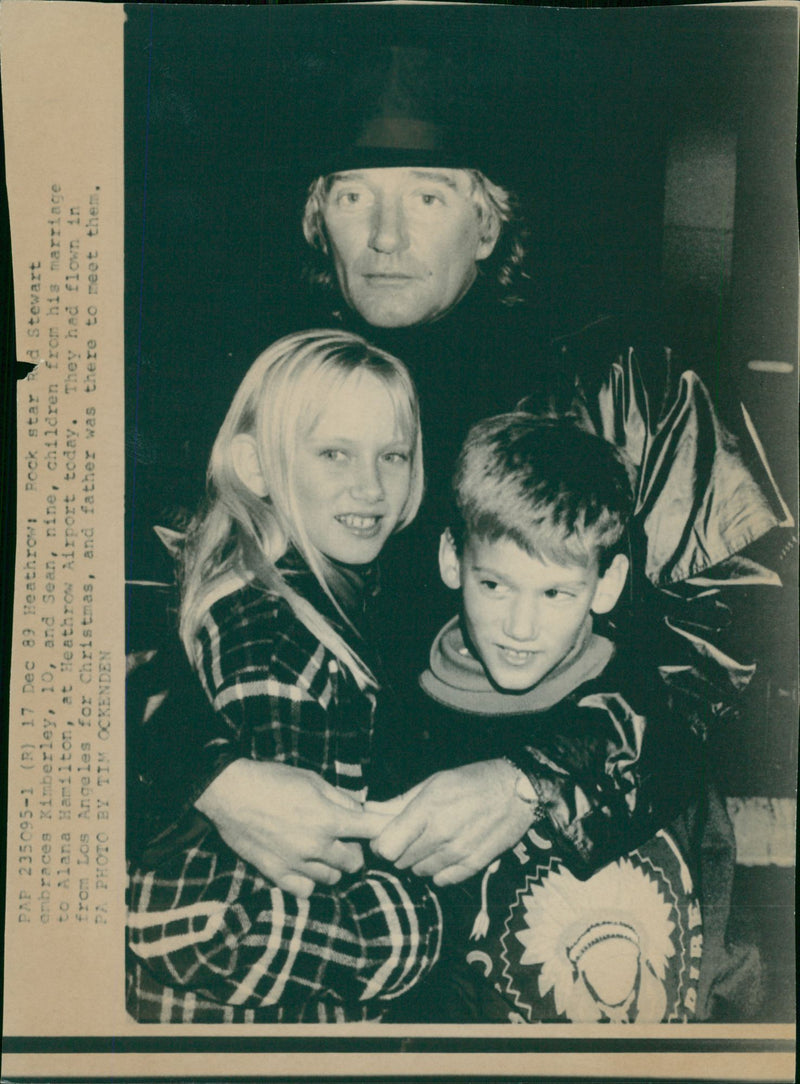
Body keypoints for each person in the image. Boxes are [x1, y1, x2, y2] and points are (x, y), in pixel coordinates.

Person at [127, 47, 791, 953]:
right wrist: (210, 776)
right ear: (318, 218)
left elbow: (737, 620)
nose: (387, 237)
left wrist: (536, 780)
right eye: (356, 196)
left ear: (486, 224)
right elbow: (115, 616)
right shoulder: (257, 392)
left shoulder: (620, 382)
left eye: (428, 196)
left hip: (584, 899)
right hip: (321, 910)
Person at [126, 330, 443, 1022]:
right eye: (335, 453)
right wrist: (406, 933)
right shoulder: (277, 644)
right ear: (256, 467)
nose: (371, 485)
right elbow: (187, 918)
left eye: (393, 455)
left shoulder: (270, 593)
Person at [374, 414, 707, 1022]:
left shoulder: (641, 701)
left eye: (555, 594)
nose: (520, 629)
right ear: (452, 560)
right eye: (495, 585)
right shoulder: (397, 702)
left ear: (606, 586)